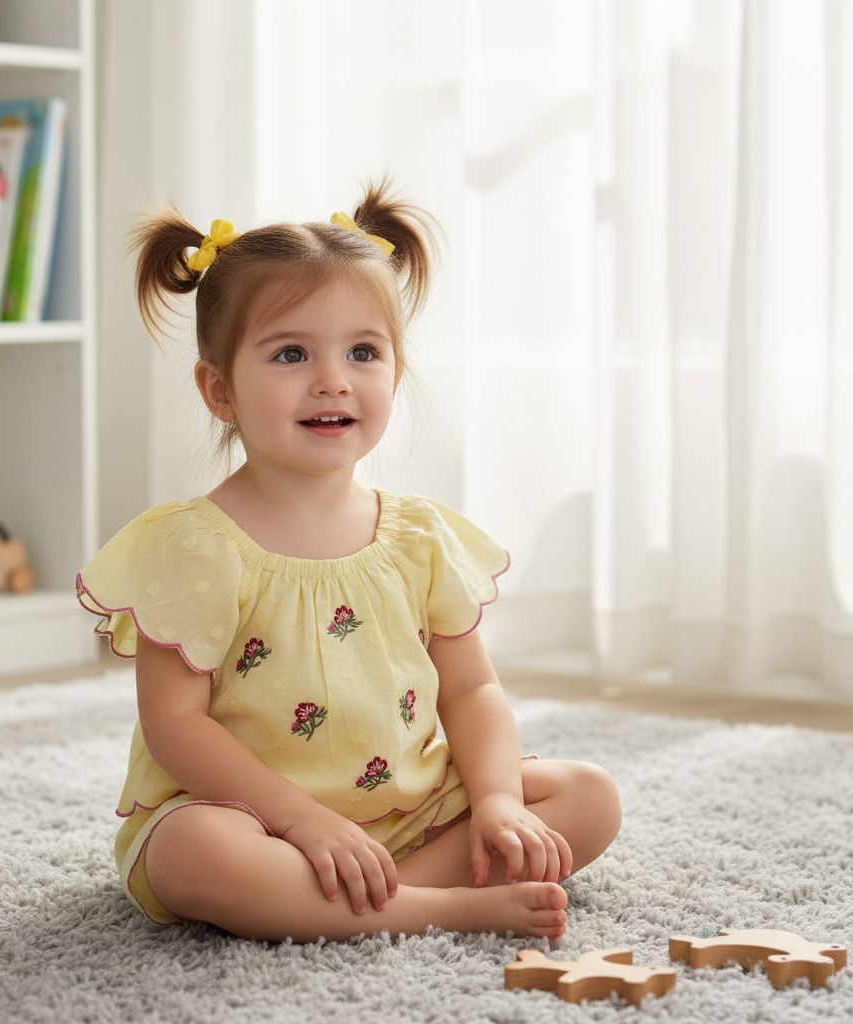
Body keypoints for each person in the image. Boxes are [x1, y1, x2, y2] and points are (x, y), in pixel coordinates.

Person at [75, 177, 622, 944]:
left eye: (363, 352)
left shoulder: (420, 537)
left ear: (394, 373)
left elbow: (472, 690)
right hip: (256, 820)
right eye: (291, 354)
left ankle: (365, 897)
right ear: (219, 389)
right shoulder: (193, 547)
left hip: (409, 810)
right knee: (194, 853)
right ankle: (438, 908)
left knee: (588, 796)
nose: (333, 379)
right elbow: (175, 727)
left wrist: (498, 800)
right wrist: (301, 820)